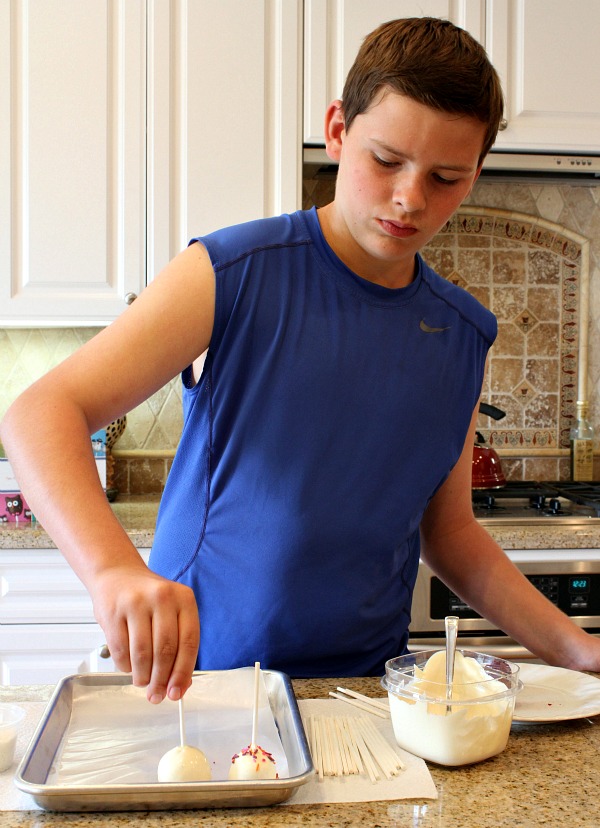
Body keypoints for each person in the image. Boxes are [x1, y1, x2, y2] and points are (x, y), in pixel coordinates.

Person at [2, 17, 600, 704]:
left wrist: (576, 648)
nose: (410, 198)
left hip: (368, 694)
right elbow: (40, 413)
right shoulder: (229, 272)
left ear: (475, 175)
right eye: (386, 160)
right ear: (339, 131)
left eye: (445, 177)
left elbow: (453, 533)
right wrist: (112, 570)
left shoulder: (462, 332)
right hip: (200, 685)